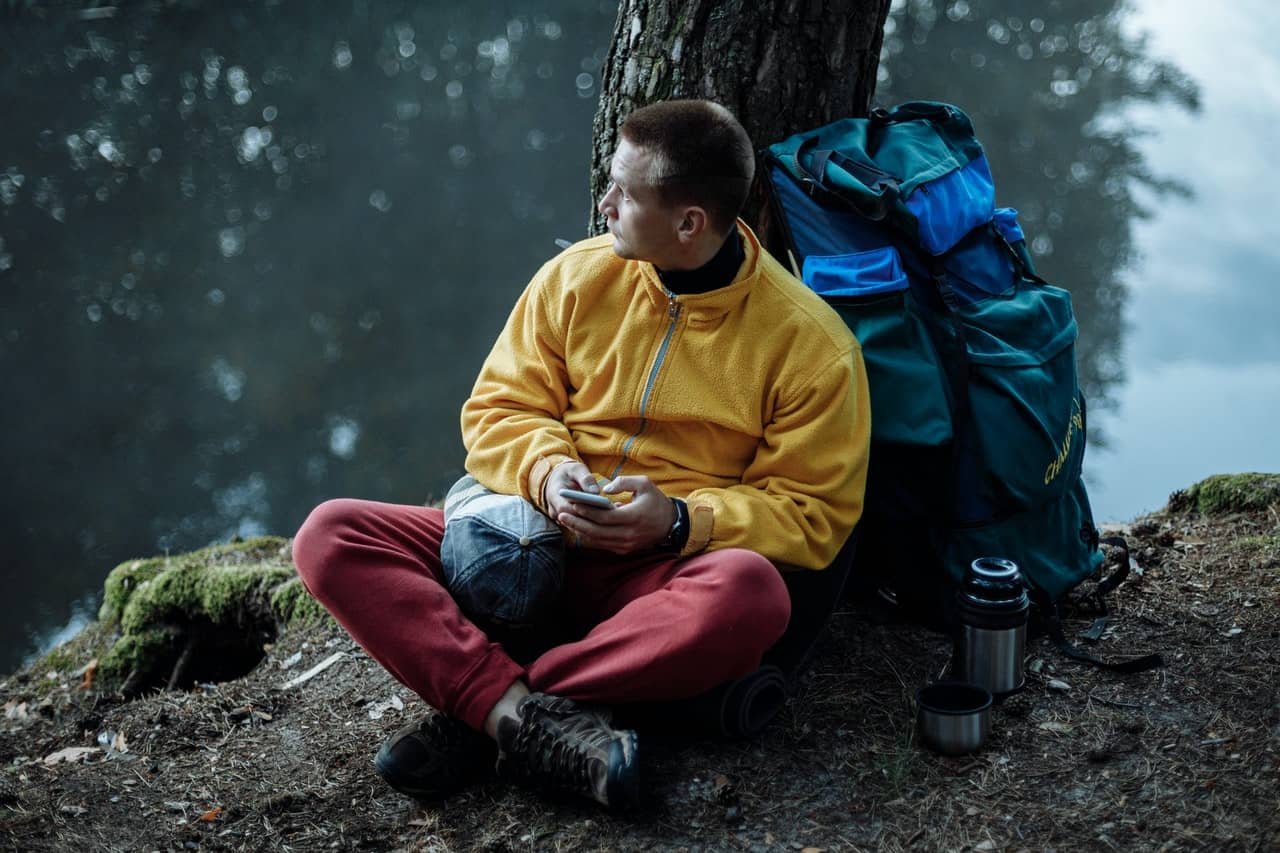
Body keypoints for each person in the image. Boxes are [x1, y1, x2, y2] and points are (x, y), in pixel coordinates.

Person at [292, 99, 871, 811]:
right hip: (527, 540)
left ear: (690, 222)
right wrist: (546, 471)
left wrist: (682, 522)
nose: (604, 203)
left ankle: (494, 707)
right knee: (330, 534)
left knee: (751, 596)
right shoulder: (574, 277)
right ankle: (532, 719)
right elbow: (499, 408)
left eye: (626, 194)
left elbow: (813, 515)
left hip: (658, 581)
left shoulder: (813, 347)